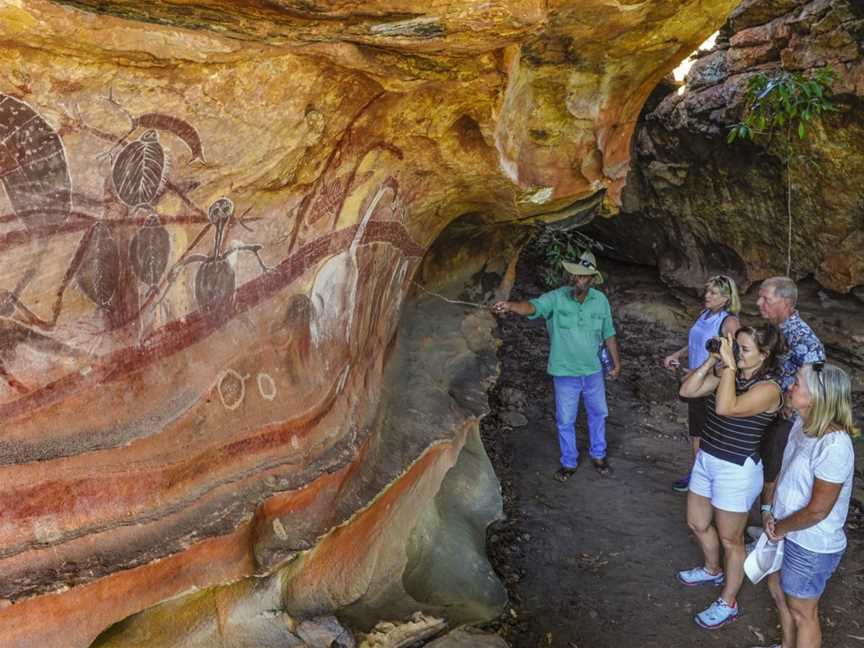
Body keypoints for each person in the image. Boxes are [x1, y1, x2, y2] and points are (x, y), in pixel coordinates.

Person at [676, 325, 785, 630]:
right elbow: (687, 390)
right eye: (736, 346)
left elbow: (726, 407)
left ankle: (729, 602)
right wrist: (713, 361)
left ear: (764, 355)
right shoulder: (730, 372)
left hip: (736, 469)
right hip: (707, 458)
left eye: (745, 349)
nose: (737, 353)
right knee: (697, 522)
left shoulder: (770, 389)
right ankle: (713, 569)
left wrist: (728, 367)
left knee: (730, 539)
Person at [492, 251, 621, 481]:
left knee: (598, 414)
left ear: (591, 279)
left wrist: (615, 363)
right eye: (574, 275)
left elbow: (608, 333)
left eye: (583, 276)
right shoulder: (556, 297)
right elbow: (533, 307)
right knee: (565, 420)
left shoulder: (600, 301)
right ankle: (569, 462)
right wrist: (511, 306)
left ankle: (598, 455)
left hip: (593, 372)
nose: (577, 280)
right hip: (564, 373)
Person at [762, 363, 858, 648]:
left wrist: (780, 527)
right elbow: (785, 471)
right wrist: (769, 510)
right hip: (785, 529)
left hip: (811, 543)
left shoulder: (835, 445)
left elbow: (818, 510)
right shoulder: (802, 425)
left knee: (803, 612)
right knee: (778, 590)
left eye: (797, 383)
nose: (791, 385)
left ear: (817, 397)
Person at [663, 275, 742, 492]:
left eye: (713, 293)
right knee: (696, 432)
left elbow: (732, 356)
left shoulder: (729, 322)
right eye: (707, 291)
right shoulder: (705, 314)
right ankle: (698, 475)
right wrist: (677, 354)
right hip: (695, 380)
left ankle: (703, 479)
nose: (706, 296)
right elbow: (696, 343)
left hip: (712, 384)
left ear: (725, 298)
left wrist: (697, 372)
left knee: (707, 433)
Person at [757, 277, 826, 518]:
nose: (758, 303)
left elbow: (813, 383)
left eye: (766, 299)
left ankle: (771, 524)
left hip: (788, 418)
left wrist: (787, 404)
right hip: (768, 410)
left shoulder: (804, 339)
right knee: (765, 465)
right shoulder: (774, 328)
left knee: (775, 469)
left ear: (786, 302)